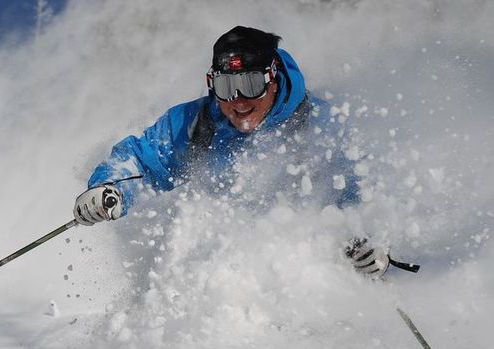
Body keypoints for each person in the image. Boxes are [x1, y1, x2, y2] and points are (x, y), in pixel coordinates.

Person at [73, 26, 390, 278]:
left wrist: (369, 241)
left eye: (251, 85)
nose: (238, 101)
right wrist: (109, 188)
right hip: (220, 281)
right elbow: (141, 161)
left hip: (301, 283)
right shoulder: (197, 123)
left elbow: (356, 191)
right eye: (226, 87)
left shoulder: (319, 124)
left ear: (273, 79)